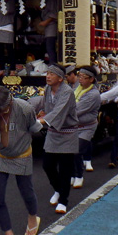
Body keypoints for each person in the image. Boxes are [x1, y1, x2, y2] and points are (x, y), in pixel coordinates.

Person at [0, 86, 42, 235]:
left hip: (22, 154)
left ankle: (33, 216)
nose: (1, 112)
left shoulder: (25, 108)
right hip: (0, 155)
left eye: (4, 109)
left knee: (26, 192)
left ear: (11, 101)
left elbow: (35, 128)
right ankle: (9, 234)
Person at [35, 64, 78, 215]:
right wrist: (38, 112)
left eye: (51, 74)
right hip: (53, 132)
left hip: (67, 133)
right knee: (47, 165)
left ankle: (63, 201)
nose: (48, 76)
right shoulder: (47, 89)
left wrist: (41, 121)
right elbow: (47, 106)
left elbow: (59, 111)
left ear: (60, 78)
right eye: (47, 73)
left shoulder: (67, 92)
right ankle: (58, 189)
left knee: (65, 169)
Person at [72, 66, 101, 182]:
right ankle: (73, 174)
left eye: (84, 78)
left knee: (76, 151)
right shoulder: (76, 88)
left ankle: (79, 175)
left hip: (87, 127)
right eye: (80, 76)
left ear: (91, 79)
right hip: (74, 126)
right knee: (70, 152)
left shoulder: (93, 94)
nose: (81, 79)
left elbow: (77, 110)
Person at [39, 0, 58, 64]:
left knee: (50, 47)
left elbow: (54, 15)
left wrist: (45, 22)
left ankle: (52, 66)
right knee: (48, 47)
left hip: (51, 26)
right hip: (48, 28)